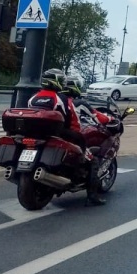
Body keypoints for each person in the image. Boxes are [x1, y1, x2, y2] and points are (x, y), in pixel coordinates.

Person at [28, 73, 107, 206]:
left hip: (36, 133)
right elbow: (70, 118)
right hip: (59, 133)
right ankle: (93, 196)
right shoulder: (60, 98)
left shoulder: (34, 97)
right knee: (92, 160)